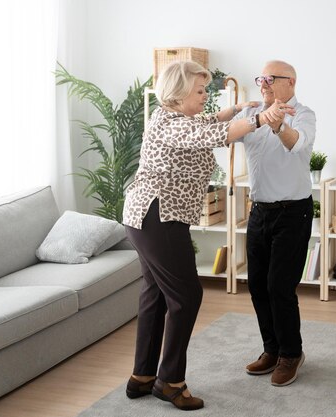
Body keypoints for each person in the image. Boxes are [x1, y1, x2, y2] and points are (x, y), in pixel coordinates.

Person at [122, 60, 280, 410]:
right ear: (178, 94)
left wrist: (236, 110)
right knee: (187, 295)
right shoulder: (173, 125)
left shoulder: (172, 119)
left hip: (144, 216)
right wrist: (258, 119)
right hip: (158, 217)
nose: (205, 97)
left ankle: (143, 376)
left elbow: (207, 122)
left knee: (156, 295)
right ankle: (170, 382)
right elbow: (210, 135)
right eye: (200, 91)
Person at [235, 60, 316, 387]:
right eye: (261, 78)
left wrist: (277, 124)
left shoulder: (304, 114)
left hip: (293, 212)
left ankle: (291, 354)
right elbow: (225, 136)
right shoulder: (251, 114)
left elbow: (297, 144)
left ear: (291, 83)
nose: (264, 83)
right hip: (260, 213)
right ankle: (272, 349)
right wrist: (253, 116)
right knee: (256, 285)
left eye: (271, 78)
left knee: (279, 287)